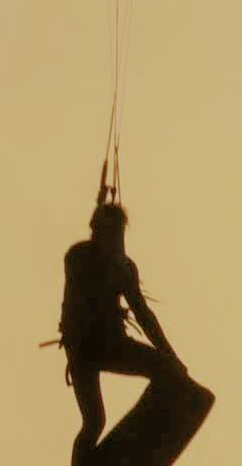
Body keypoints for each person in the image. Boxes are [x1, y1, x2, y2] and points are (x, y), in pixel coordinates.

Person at [57, 190, 189, 452]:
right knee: (94, 421)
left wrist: (171, 355)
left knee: (169, 371)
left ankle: (147, 437)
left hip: (112, 345)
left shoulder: (125, 267)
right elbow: (83, 288)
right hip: (83, 348)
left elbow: (144, 314)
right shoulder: (78, 256)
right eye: (95, 230)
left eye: (104, 231)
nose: (96, 235)